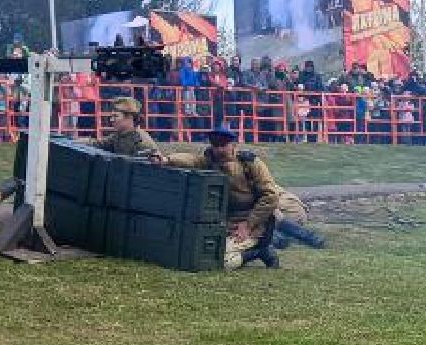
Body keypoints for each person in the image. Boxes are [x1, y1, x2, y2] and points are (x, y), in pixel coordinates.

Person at [165, 124, 285, 268]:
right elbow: (191, 160)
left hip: (253, 223)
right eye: (215, 145)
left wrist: (248, 225)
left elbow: (270, 196)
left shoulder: (250, 163)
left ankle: (261, 251)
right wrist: (167, 160)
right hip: (226, 223)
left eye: (223, 145)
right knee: (202, 254)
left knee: (223, 261)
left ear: (234, 144)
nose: (219, 149)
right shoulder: (210, 161)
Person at [90, 95, 159, 157]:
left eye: (116, 116)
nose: (111, 120)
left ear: (130, 117)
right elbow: (98, 144)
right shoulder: (118, 136)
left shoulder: (142, 143)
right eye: (111, 116)